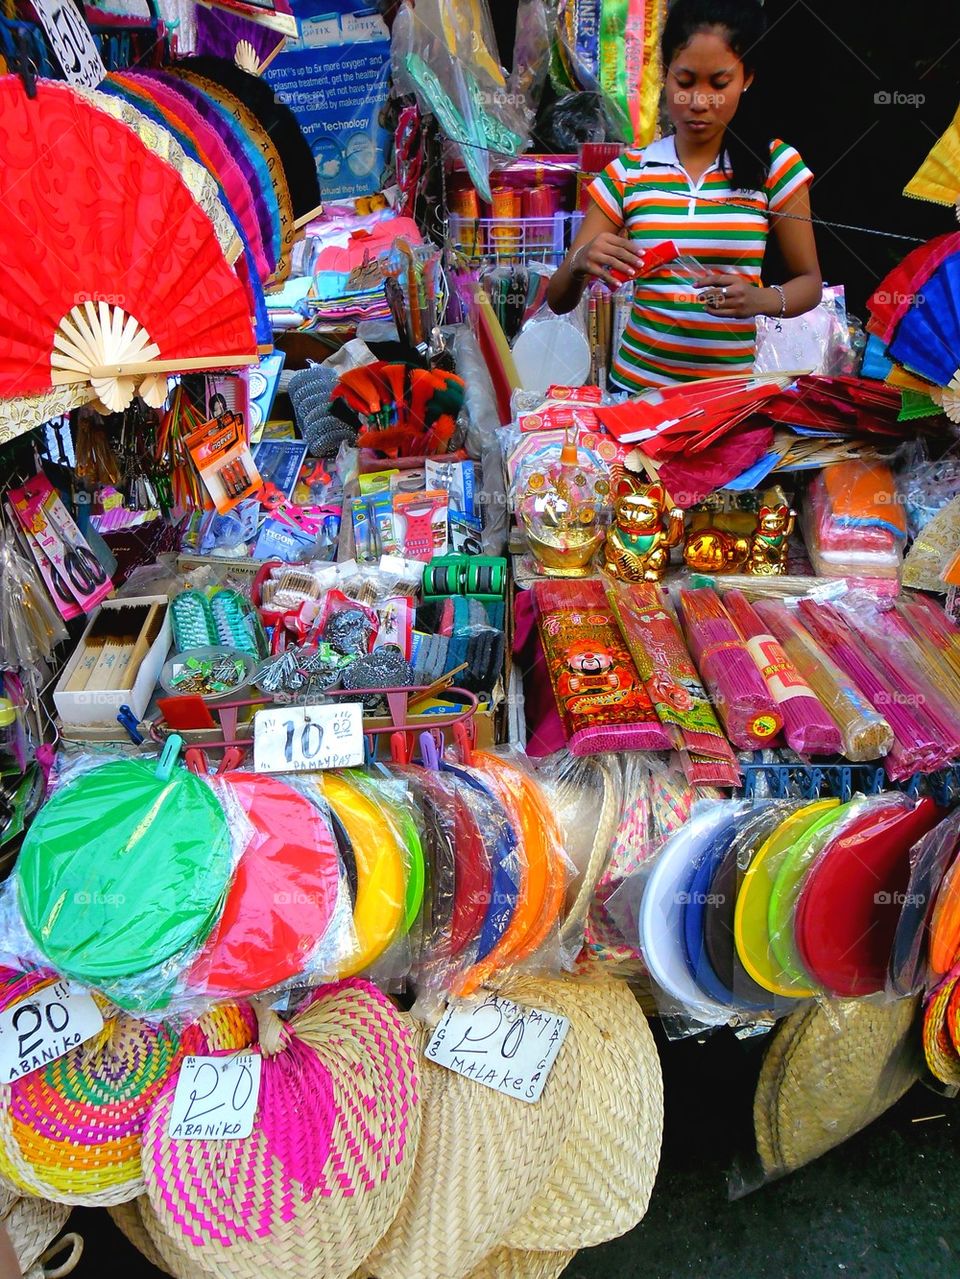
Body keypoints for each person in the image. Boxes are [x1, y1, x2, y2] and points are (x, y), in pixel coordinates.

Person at [547, 0, 822, 390]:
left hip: (726, 403)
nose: (699, 102)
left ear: (747, 78)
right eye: (685, 81)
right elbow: (559, 299)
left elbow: (809, 283)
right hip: (636, 397)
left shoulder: (775, 165)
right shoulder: (629, 172)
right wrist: (579, 262)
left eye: (719, 84)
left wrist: (761, 300)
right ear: (664, 75)